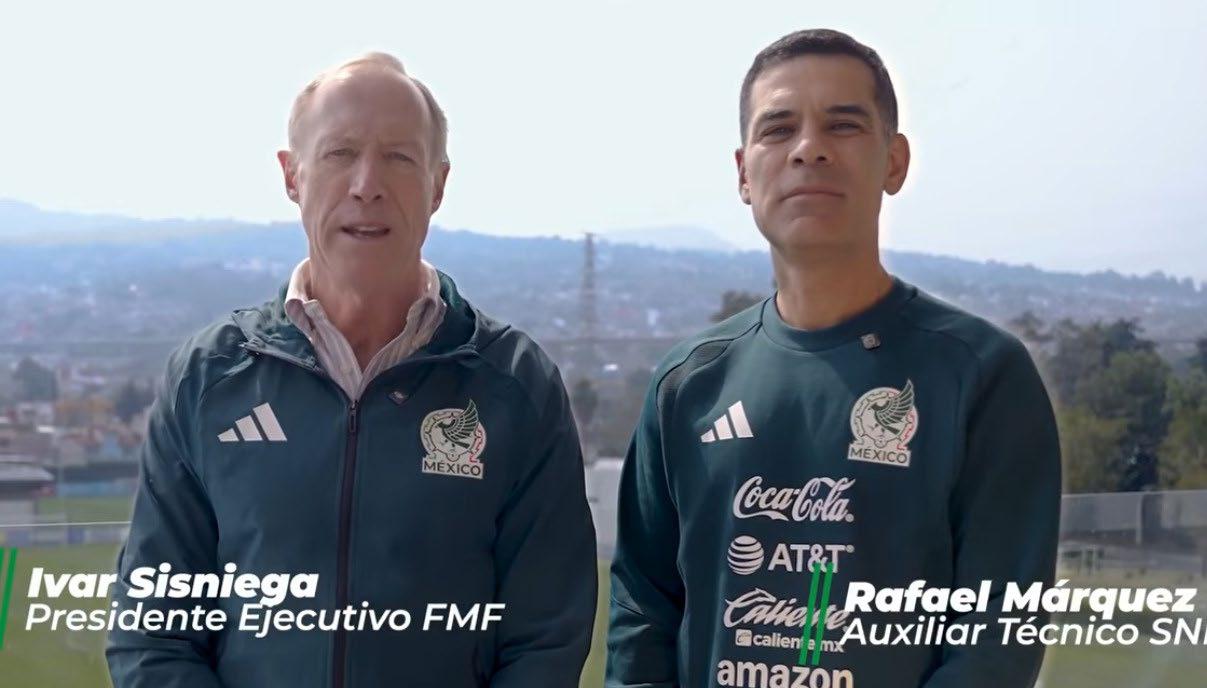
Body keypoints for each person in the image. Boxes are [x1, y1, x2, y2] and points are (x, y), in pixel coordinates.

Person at [107, 52, 596, 688]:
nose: (368, 184)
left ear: (439, 184)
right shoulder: (208, 380)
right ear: (292, 175)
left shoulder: (516, 386)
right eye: (340, 153)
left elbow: (545, 643)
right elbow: (152, 633)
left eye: (400, 157)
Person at [606, 29, 1061, 688]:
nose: (808, 148)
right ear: (743, 173)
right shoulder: (689, 384)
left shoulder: (980, 374)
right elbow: (642, 612)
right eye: (778, 129)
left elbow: (996, 636)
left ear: (894, 162)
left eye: (843, 125)